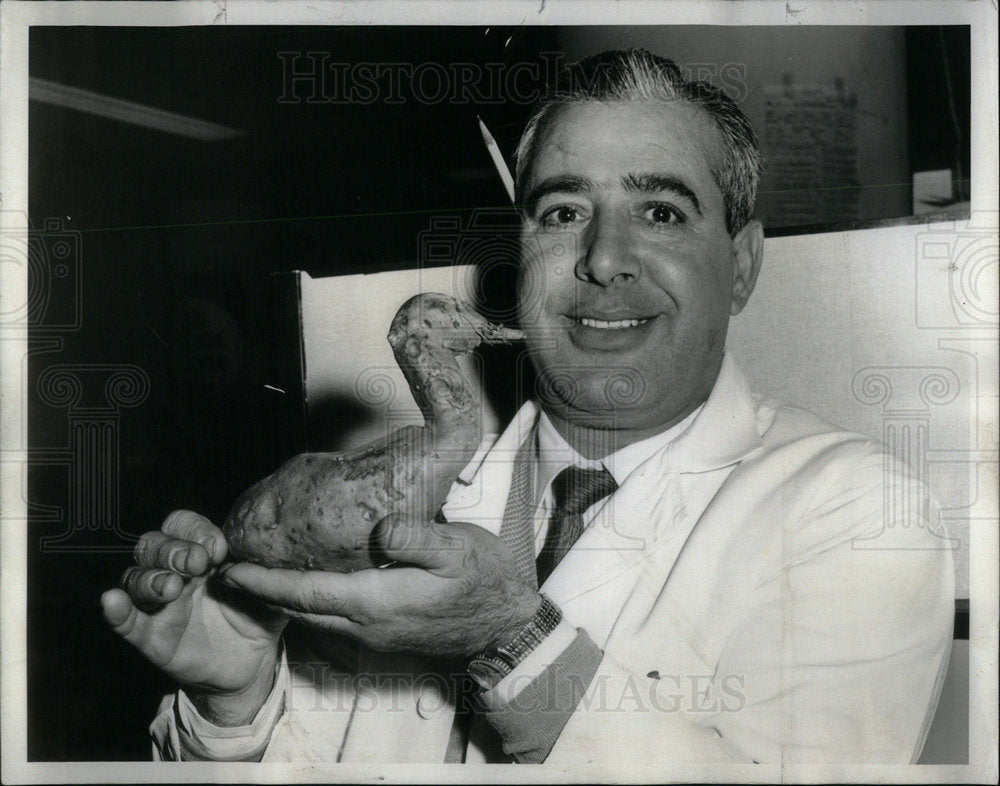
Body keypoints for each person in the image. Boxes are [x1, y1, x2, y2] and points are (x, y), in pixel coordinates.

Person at [101, 49, 954, 765]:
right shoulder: (384, 501)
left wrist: (510, 639)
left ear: (741, 265)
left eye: (659, 210)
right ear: (519, 256)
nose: (603, 258)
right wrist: (235, 702)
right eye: (563, 210)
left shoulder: (858, 512)